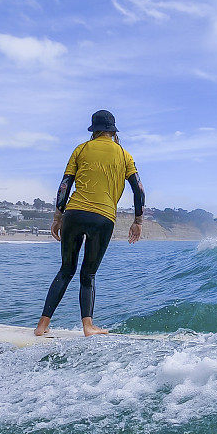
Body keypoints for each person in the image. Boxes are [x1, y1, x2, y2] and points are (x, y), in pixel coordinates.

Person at [35, 110, 145, 337]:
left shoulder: (81, 149)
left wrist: (57, 216)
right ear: (113, 131)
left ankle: (41, 326)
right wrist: (137, 221)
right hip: (103, 218)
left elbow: (65, 184)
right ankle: (88, 326)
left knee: (66, 269)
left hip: (74, 214)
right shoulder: (125, 155)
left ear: (94, 130)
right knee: (89, 274)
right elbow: (139, 190)